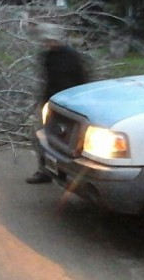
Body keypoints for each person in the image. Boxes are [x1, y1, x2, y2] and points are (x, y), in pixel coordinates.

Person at [26, 22, 90, 184]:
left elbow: (83, 81)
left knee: (65, 141)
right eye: (46, 41)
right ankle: (45, 170)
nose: (48, 43)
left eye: (51, 40)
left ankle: (67, 172)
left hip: (69, 106)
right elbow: (47, 80)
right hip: (49, 102)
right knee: (41, 136)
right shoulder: (46, 56)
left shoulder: (71, 57)